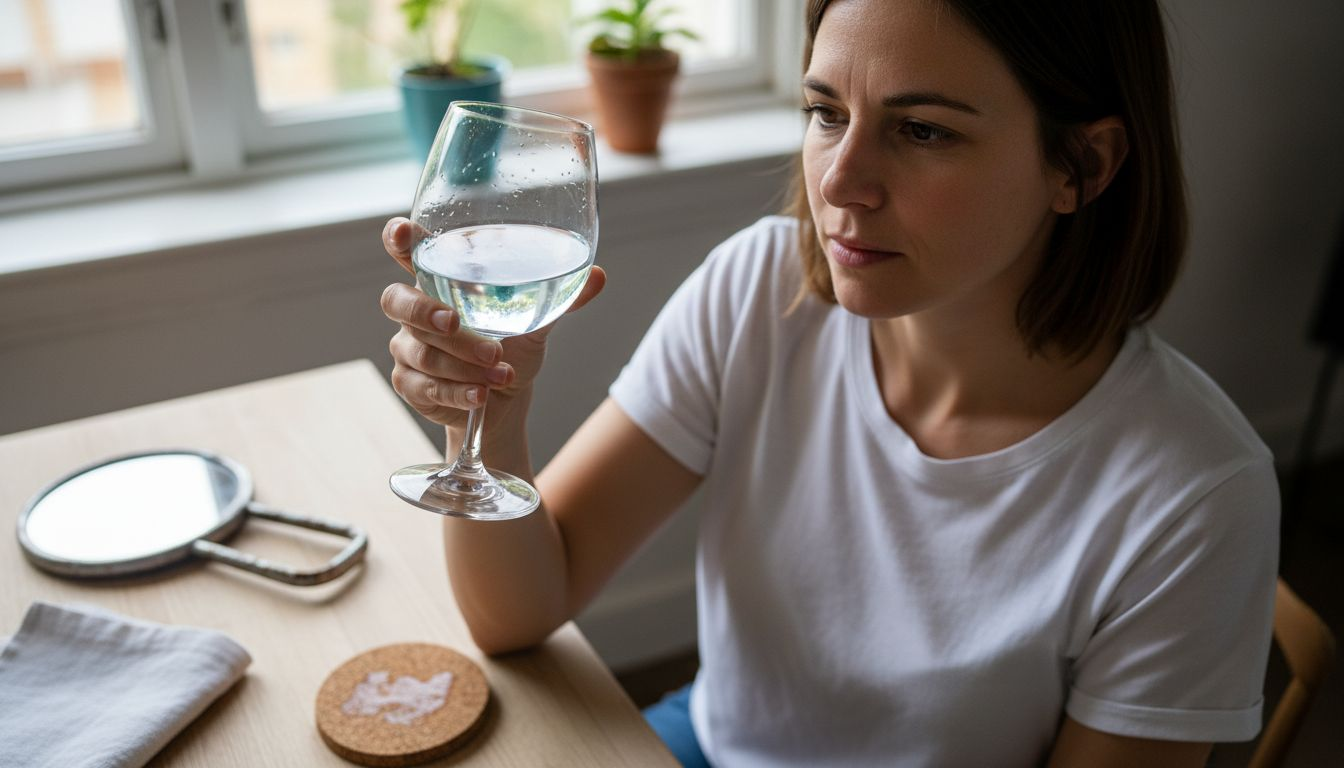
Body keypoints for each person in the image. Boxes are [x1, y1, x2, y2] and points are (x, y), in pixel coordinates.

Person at [377, 0, 1279, 765]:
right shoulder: (759, 291)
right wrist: (495, 406)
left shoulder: (1195, 494)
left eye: (923, 130)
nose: (841, 182)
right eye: (826, 111)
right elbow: (517, 614)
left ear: (1082, 165)